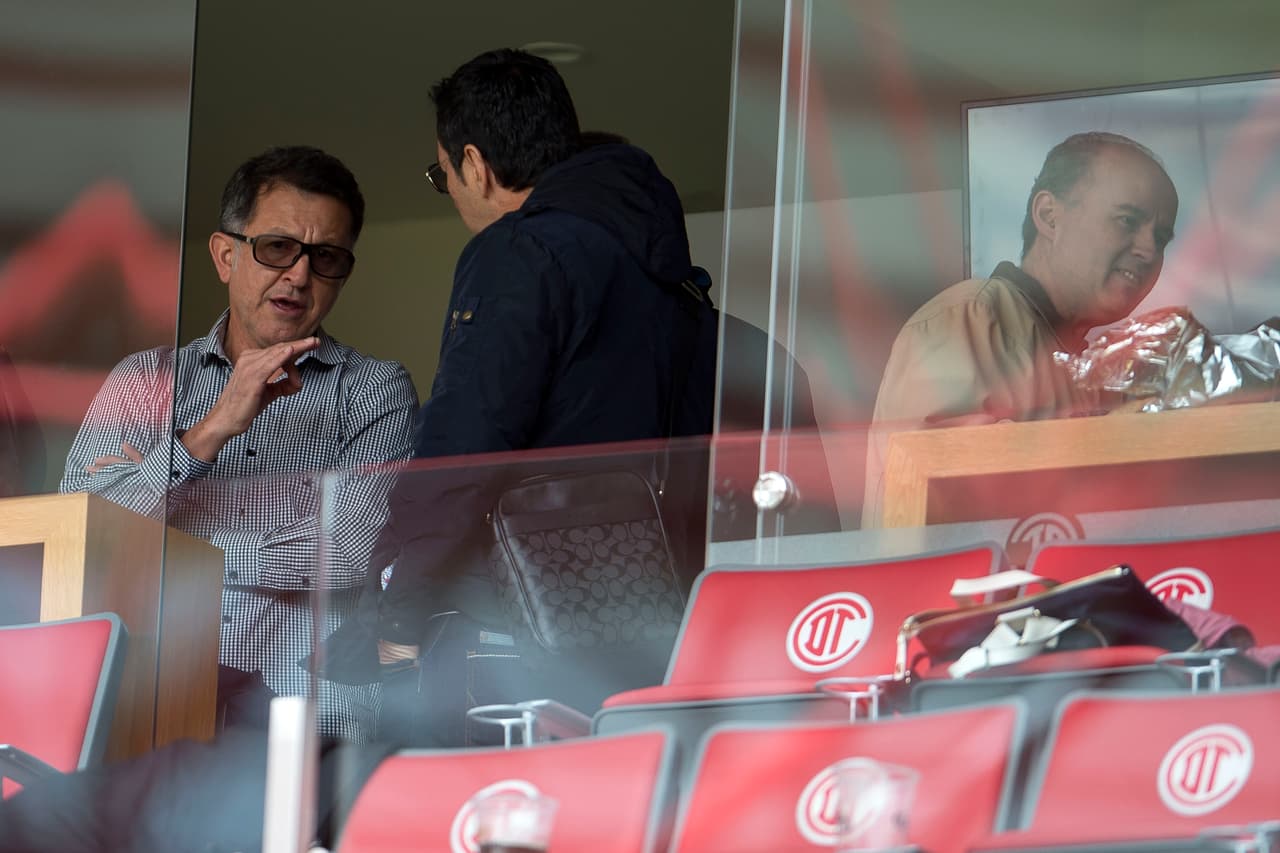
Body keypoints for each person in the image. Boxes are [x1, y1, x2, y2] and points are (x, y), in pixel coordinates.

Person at [324, 49, 716, 736]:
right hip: (642, 634)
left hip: (507, 637)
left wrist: (396, 621)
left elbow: (465, 446)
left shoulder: (518, 253)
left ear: (475, 165)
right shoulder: (672, 285)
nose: (453, 189)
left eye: (441, 175)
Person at [60, 145, 418, 741]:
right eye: (277, 247)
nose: (300, 275)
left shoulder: (375, 390)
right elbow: (78, 540)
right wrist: (207, 433)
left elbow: (347, 555)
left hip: (306, 723)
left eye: (326, 257)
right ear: (226, 255)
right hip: (142, 714)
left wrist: (166, 540)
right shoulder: (141, 381)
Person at [863, 131, 1179, 527]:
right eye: (1127, 221)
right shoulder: (970, 316)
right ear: (1049, 216)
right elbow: (941, 494)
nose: (1149, 249)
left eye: (1162, 237)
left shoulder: (1071, 353)